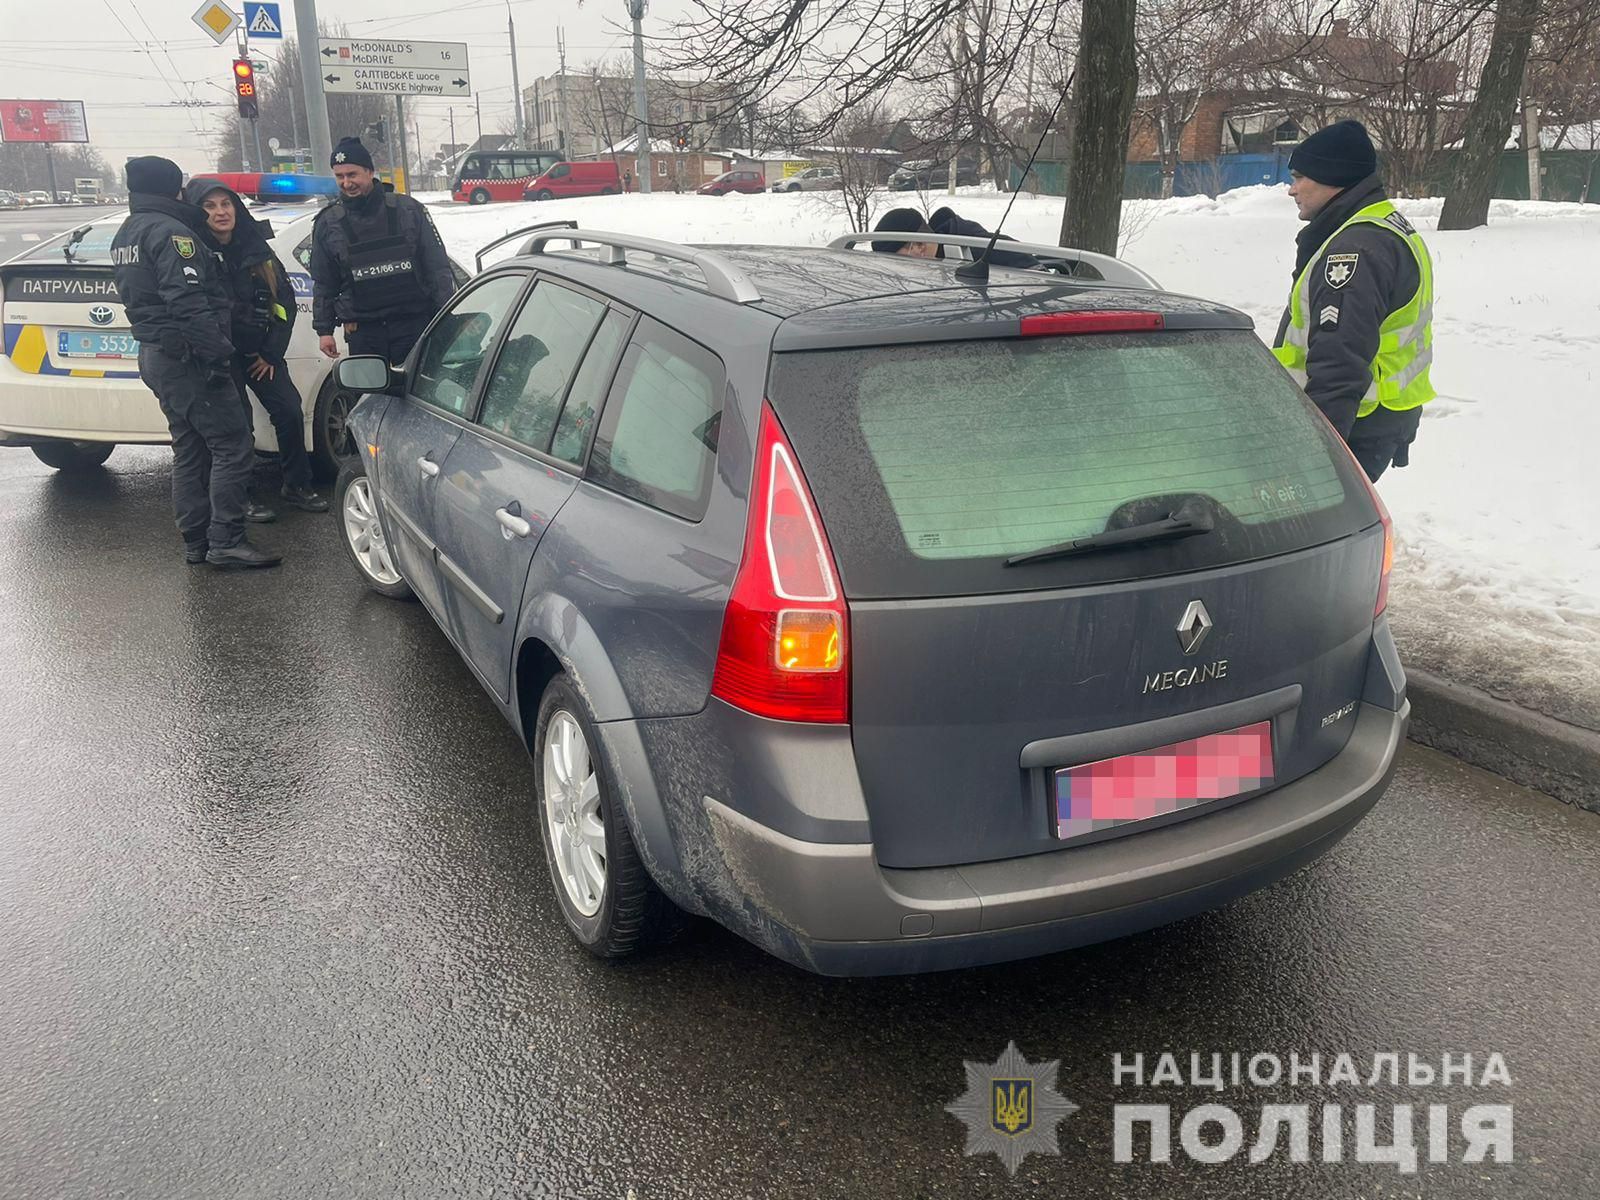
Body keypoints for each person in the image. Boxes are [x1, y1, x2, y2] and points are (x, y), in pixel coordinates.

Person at [110, 157, 280, 569]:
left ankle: (195, 540)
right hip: (188, 356)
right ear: (172, 189)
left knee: (189, 449)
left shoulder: (126, 232)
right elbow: (187, 303)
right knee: (232, 447)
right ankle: (226, 539)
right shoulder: (171, 233)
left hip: (157, 354)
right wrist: (218, 355)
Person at [1272, 120, 1435, 482]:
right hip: (1376, 419)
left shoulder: (1354, 250)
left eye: (1300, 177)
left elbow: (1339, 364)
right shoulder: (1383, 225)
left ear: (1332, 177)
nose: (1291, 189)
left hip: (1353, 425)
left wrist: (1318, 460)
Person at [186, 178, 329, 514]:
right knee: (238, 426)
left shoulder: (258, 251)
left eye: (226, 204)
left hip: (260, 353)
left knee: (290, 411)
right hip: (220, 356)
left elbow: (285, 304)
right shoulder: (195, 252)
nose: (221, 212)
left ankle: (297, 485)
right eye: (210, 206)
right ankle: (242, 495)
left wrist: (270, 353)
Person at [310, 137, 455, 366]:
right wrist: (324, 330)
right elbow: (324, 282)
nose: (347, 183)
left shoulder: (407, 210)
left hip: (413, 326)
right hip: (364, 332)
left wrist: (446, 318)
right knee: (370, 399)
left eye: (352, 174)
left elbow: (436, 267)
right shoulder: (329, 223)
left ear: (369, 172)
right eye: (340, 176)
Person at [870, 206, 1040, 269]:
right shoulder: (935, 262)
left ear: (918, 246)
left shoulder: (978, 248)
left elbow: (1032, 269)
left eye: (900, 262)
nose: (901, 270)